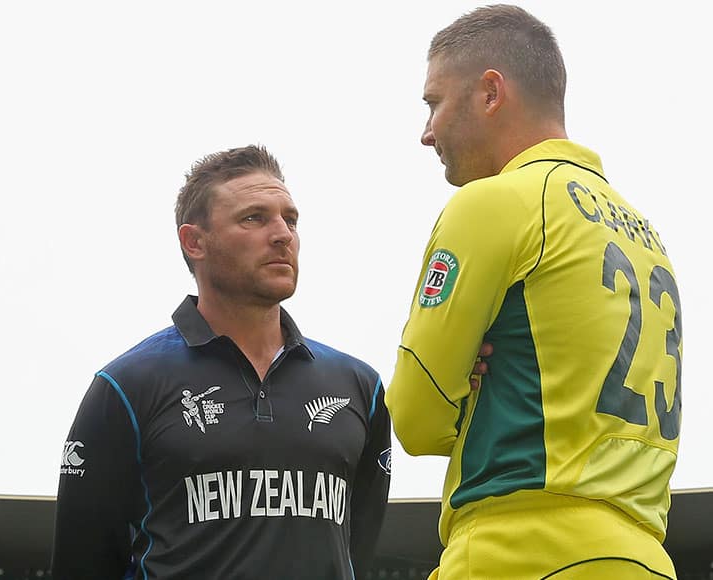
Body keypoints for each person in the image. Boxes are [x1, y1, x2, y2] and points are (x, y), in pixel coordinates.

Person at [385, 5, 681, 579]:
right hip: (647, 556)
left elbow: (415, 419)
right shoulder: (646, 233)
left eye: (433, 103)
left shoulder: (495, 202)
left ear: (490, 92)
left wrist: (463, 393)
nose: (427, 133)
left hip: (521, 549)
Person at [52, 144, 391, 580]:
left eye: (290, 219)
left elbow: (354, 553)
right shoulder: (127, 385)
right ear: (195, 241)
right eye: (254, 218)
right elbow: (83, 562)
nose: (282, 234)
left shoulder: (358, 386)